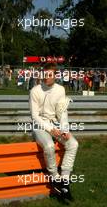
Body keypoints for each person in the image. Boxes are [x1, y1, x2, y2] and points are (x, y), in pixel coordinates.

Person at [29, 63, 79, 201]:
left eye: (50, 74)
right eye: (45, 74)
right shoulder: (35, 90)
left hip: (56, 125)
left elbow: (62, 111)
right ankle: (55, 178)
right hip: (40, 126)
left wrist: (64, 129)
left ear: (55, 75)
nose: (47, 77)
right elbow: (35, 116)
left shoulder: (60, 89)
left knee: (73, 144)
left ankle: (65, 180)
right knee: (49, 146)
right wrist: (51, 129)